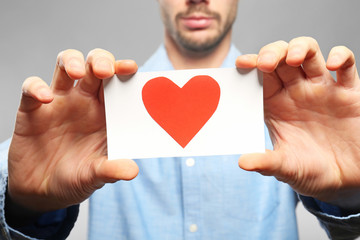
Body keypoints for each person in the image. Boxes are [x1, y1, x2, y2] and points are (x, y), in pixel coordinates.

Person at [1, 0, 360, 239]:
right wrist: (22, 202)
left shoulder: (292, 109)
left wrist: (350, 194)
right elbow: (19, 175)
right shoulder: (94, 111)